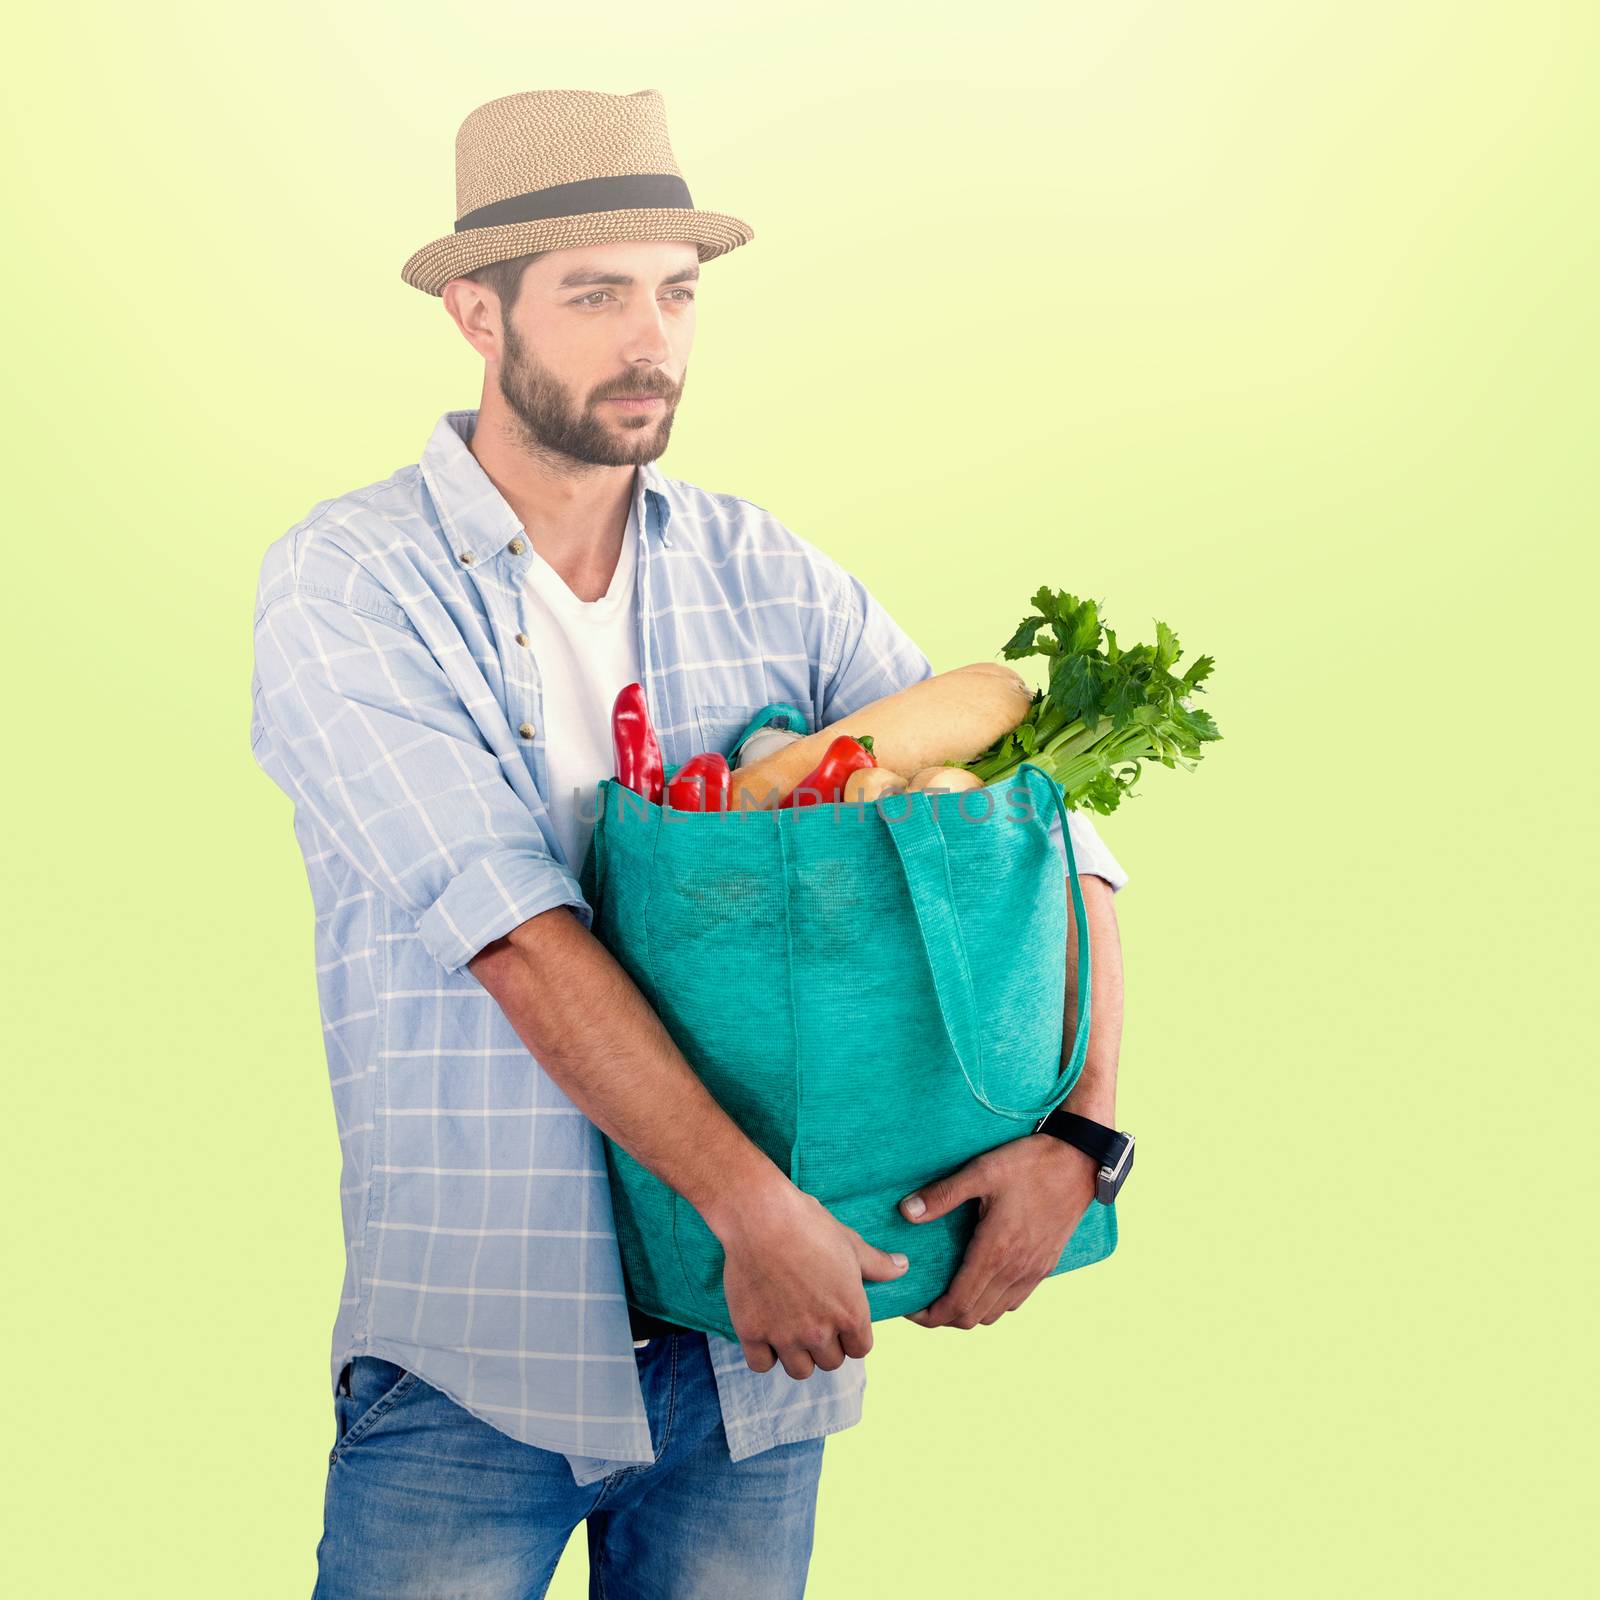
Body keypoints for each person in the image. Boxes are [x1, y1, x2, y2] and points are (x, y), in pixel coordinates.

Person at [249, 88, 1129, 1600]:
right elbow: (519, 937)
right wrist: (749, 1207)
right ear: (478, 311)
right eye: (595, 295)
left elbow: (1047, 835)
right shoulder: (349, 586)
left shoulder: (765, 570)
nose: (648, 338)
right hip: (481, 1357)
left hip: (755, 1364)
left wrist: (1083, 1136)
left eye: (675, 292)